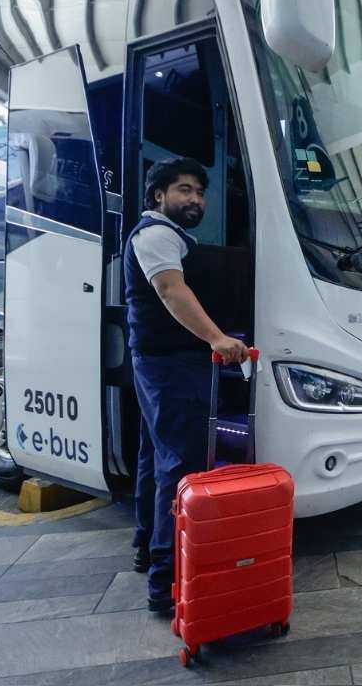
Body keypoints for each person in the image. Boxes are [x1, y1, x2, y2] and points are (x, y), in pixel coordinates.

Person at [124, 156, 249, 613]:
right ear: (159, 195)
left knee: (154, 458)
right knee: (181, 465)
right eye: (183, 190)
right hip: (171, 366)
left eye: (199, 191)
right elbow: (171, 291)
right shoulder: (156, 234)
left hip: (158, 363)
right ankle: (166, 583)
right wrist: (217, 338)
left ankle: (146, 547)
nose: (195, 198)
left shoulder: (170, 236)